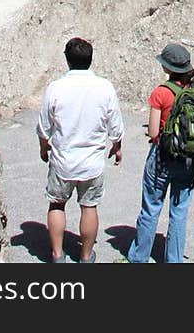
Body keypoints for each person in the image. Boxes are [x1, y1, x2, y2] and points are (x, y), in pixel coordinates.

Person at [37, 36, 123, 264]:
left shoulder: (55, 88)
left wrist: (44, 148)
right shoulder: (104, 87)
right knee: (89, 206)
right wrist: (117, 146)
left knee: (56, 204)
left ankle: (57, 255)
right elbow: (115, 123)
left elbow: (44, 127)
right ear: (90, 59)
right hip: (92, 161)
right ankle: (86, 256)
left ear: (67, 59)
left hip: (63, 159)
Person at [126, 43, 194, 264]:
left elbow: (154, 132)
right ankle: (174, 260)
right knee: (179, 213)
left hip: (162, 158)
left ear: (168, 68)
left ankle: (139, 257)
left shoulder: (161, 93)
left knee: (151, 208)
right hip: (189, 161)